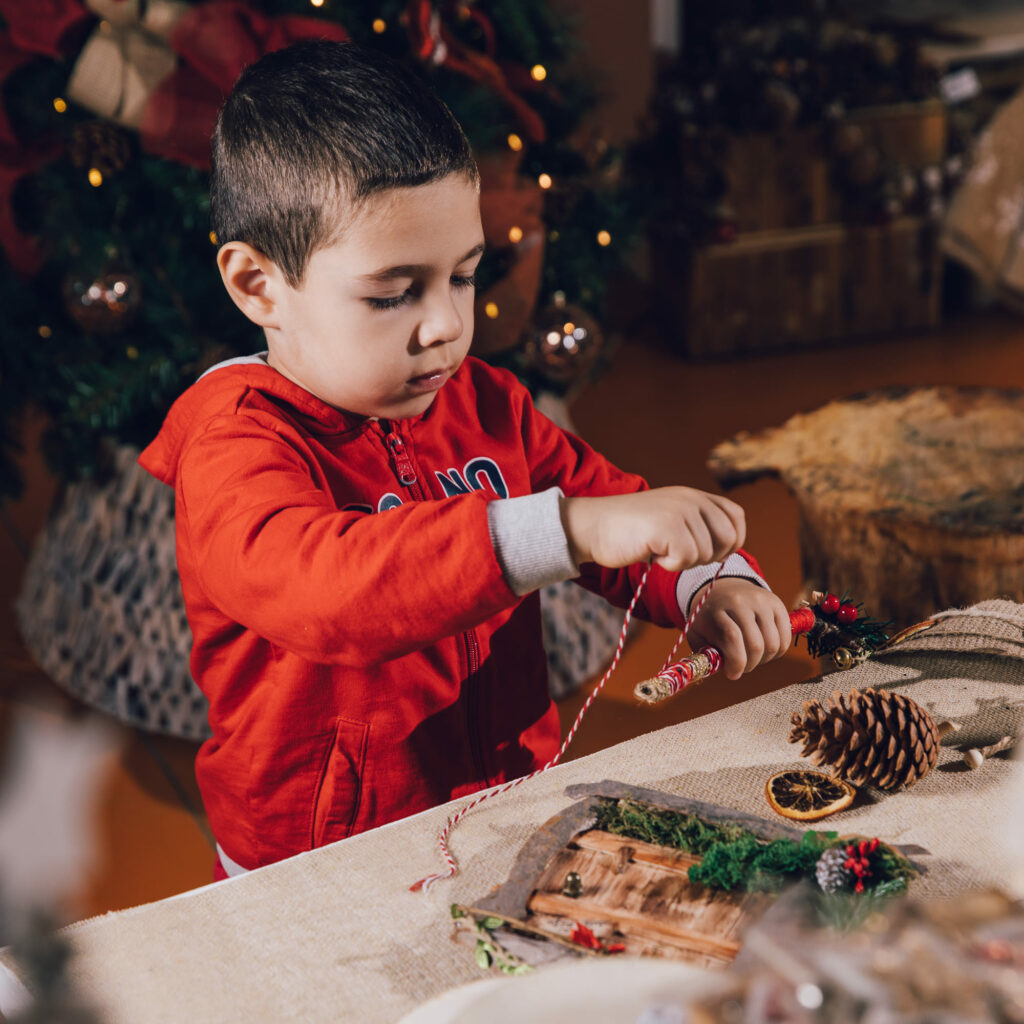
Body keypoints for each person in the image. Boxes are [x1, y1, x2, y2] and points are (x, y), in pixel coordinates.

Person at [139, 40, 792, 878]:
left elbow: (607, 505)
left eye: (464, 277)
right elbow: (330, 593)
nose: (445, 323)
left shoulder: (483, 402)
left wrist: (709, 580)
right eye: (392, 293)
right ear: (259, 286)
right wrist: (567, 527)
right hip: (320, 856)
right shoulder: (234, 444)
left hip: (506, 803)